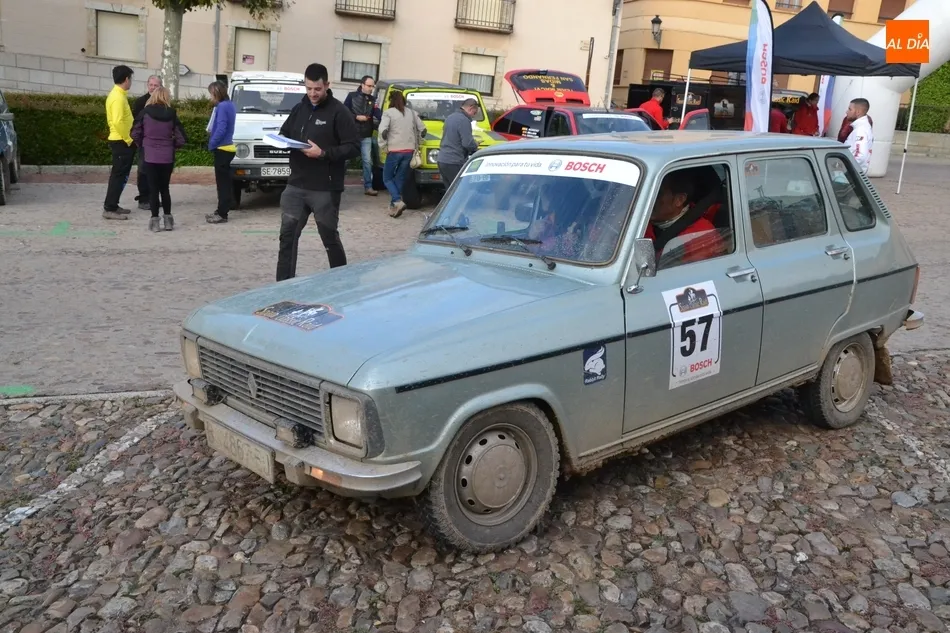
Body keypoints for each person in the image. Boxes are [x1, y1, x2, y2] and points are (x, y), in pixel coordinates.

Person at [275, 63, 361, 281]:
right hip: (296, 185)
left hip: (325, 188)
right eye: (309, 88)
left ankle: (340, 282)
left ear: (327, 85)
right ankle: (282, 286)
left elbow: (354, 147)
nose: (312, 94)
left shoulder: (339, 112)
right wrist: (282, 141)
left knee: (329, 238)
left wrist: (323, 153)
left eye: (317, 89)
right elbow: (285, 132)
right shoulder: (299, 108)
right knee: (287, 237)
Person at [131, 86, 186, 232]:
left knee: (153, 189)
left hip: (150, 155)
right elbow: (181, 138)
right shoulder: (172, 113)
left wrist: (142, 144)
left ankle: (155, 222)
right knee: (165, 189)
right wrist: (172, 145)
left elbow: (134, 133)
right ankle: (168, 221)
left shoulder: (145, 112)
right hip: (167, 156)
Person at [645, 171, 724, 264]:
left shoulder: (700, 237)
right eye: (647, 191)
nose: (649, 199)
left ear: (679, 199)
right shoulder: (641, 221)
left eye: (657, 194)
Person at [378, 90, 426, 218]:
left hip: (394, 150)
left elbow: (383, 131)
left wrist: (383, 146)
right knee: (399, 177)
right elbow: (423, 129)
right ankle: (394, 206)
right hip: (409, 150)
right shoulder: (412, 113)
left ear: (391, 100)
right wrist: (419, 142)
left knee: (387, 178)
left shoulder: (388, 113)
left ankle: (397, 200)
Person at [103, 65, 135, 220]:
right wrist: (128, 139)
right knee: (118, 175)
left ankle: (113, 205)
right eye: (131, 78)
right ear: (126, 79)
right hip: (121, 141)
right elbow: (117, 122)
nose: (131, 82)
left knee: (120, 175)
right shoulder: (117, 97)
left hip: (122, 140)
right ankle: (109, 208)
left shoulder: (119, 95)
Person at [343, 75, 382, 197]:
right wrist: (356, 117)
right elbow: (344, 112)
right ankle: (338, 183)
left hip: (366, 134)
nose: (371, 88)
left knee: (367, 161)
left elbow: (378, 114)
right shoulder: (351, 96)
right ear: (362, 85)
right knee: (345, 160)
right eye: (369, 86)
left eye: (372, 86)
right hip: (351, 134)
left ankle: (368, 187)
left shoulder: (373, 100)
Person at [205, 81, 237, 224]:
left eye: (211, 94)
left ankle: (222, 213)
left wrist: (212, 143)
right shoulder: (230, 105)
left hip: (222, 148)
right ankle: (221, 210)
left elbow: (221, 128)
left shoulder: (222, 107)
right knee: (225, 182)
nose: (211, 97)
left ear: (217, 93)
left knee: (222, 184)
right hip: (228, 147)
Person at [131, 75, 163, 210]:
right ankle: (144, 199)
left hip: (160, 143)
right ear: (147, 85)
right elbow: (135, 124)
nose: (153, 87)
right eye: (151, 85)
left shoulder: (163, 103)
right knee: (143, 170)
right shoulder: (140, 102)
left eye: (156, 85)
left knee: (157, 171)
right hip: (145, 142)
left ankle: (154, 198)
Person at [437, 98, 479, 186]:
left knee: (449, 190)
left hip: (442, 159)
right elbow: (467, 144)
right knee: (459, 188)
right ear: (471, 108)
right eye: (474, 113)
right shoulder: (464, 120)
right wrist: (475, 145)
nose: (473, 116)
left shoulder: (450, 117)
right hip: (455, 161)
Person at [844, 98, 874, 175]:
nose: (847, 112)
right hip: (855, 172)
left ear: (858, 112)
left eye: (850, 109)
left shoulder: (860, 130)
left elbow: (860, 155)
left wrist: (846, 168)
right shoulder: (863, 127)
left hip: (852, 173)